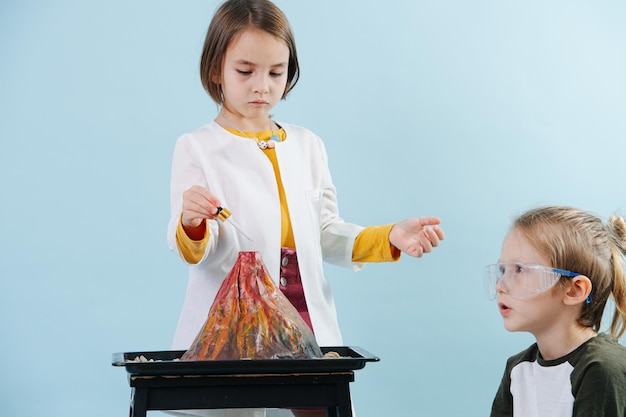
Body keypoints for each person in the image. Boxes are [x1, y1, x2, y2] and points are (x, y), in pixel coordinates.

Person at [166, 1, 445, 416]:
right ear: (214, 70)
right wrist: (191, 222)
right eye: (246, 71)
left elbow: (326, 235)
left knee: (321, 408)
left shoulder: (308, 145)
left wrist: (390, 237)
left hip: (303, 314)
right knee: (234, 409)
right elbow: (195, 251)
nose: (262, 86)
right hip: (236, 323)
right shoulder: (198, 148)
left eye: (276, 72)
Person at [484, 205, 626, 417]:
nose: (500, 285)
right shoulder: (518, 369)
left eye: (520, 269)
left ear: (574, 290)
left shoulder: (603, 368)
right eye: (503, 270)